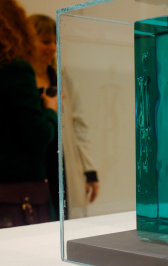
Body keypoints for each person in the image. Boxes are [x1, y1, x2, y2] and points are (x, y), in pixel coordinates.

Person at [28, 14, 100, 219]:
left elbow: (80, 127)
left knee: (65, 221)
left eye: (54, 42)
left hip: (62, 166)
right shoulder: (19, 81)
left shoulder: (63, 79)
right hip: (34, 169)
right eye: (45, 41)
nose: (51, 47)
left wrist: (90, 171)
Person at [0, 0, 57, 226]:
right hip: (19, 193)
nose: (51, 47)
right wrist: (51, 111)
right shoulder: (15, 69)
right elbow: (38, 135)